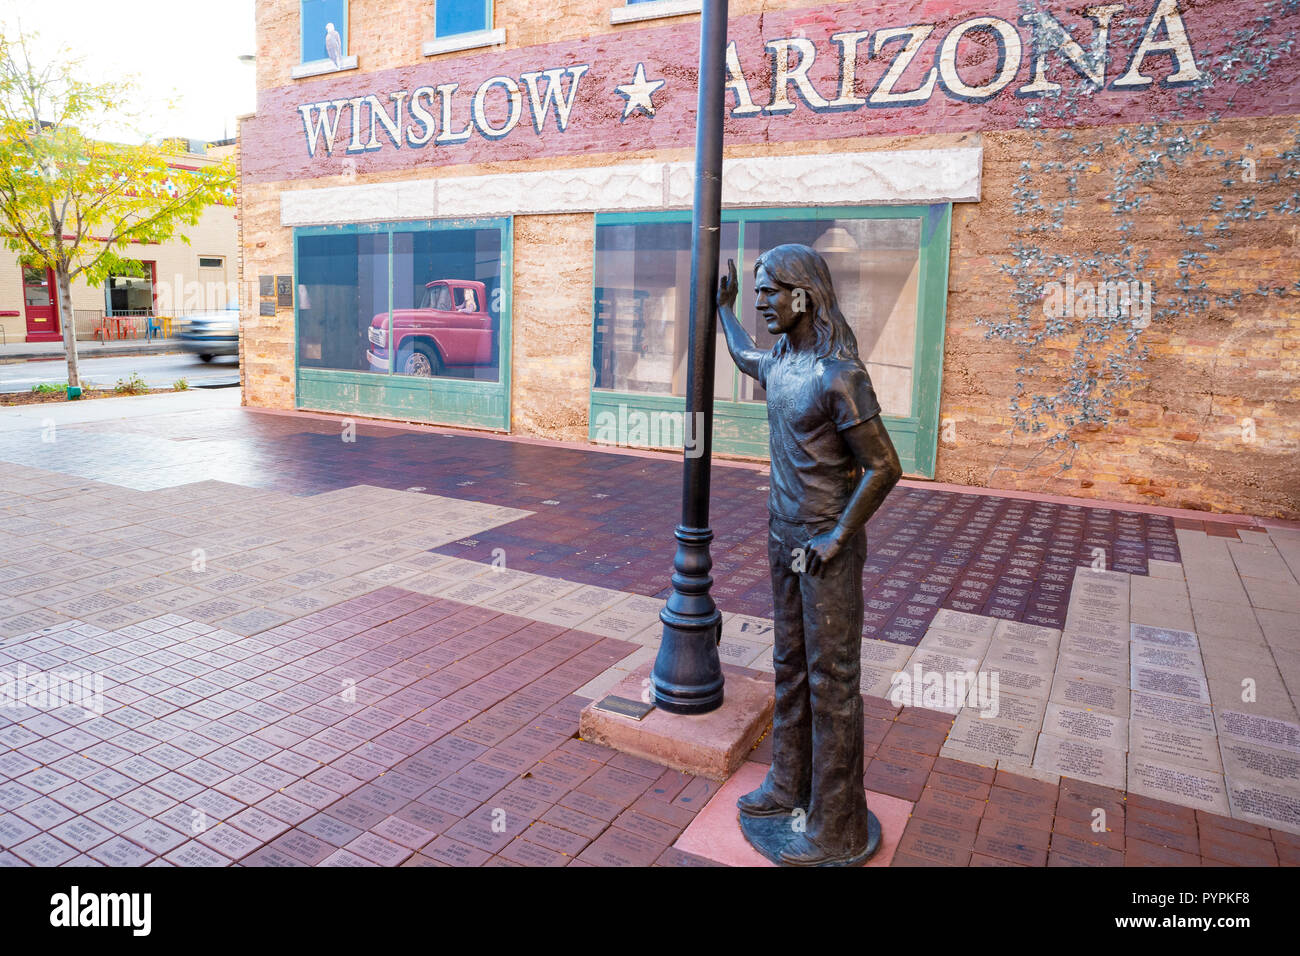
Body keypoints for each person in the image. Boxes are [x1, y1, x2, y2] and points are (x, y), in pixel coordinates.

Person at [718, 243, 902, 866]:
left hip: (827, 547)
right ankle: (787, 784)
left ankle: (836, 827)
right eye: (758, 290)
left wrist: (838, 537)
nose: (761, 300)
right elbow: (745, 358)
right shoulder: (781, 362)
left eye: (770, 290)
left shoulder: (839, 375)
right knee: (790, 667)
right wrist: (724, 311)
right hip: (783, 538)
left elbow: (883, 466)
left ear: (804, 294)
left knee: (833, 683)